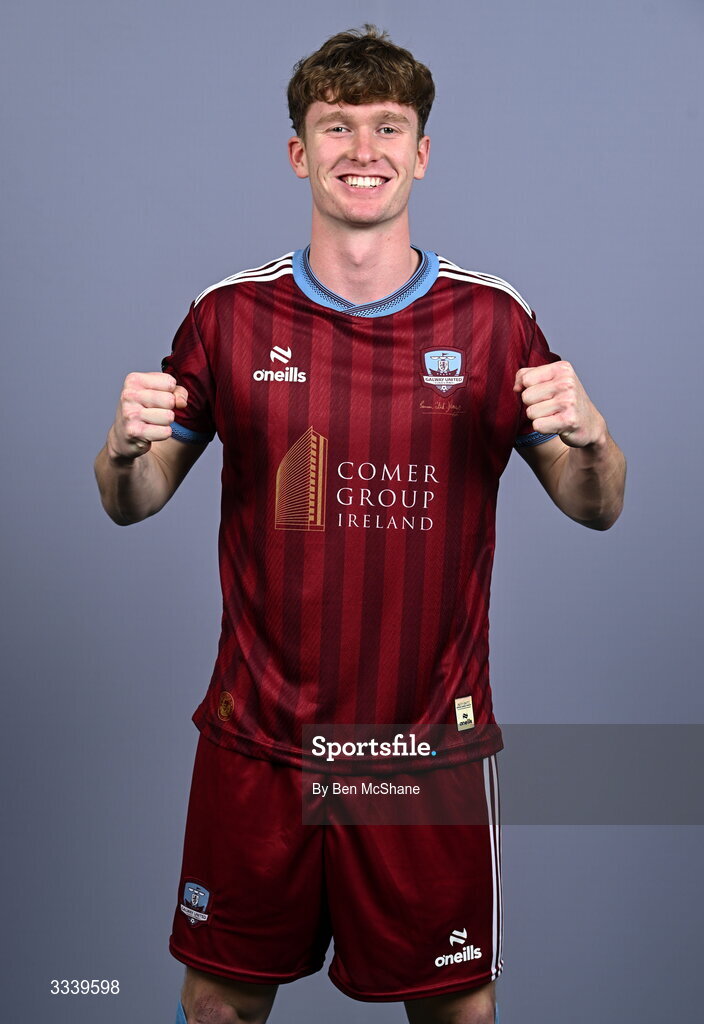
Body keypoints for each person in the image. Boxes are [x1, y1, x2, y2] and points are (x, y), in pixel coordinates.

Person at [94, 25, 626, 1024]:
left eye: (388, 126)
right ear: (300, 152)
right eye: (337, 125)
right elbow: (134, 498)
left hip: (420, 758)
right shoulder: (227, 316)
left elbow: (595, 505)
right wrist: (121, 451)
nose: (363, 148)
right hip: (260, 743)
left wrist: (592, 438)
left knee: (456, 1012)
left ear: (422, 152)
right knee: (216, 1007)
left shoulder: (492, 322)